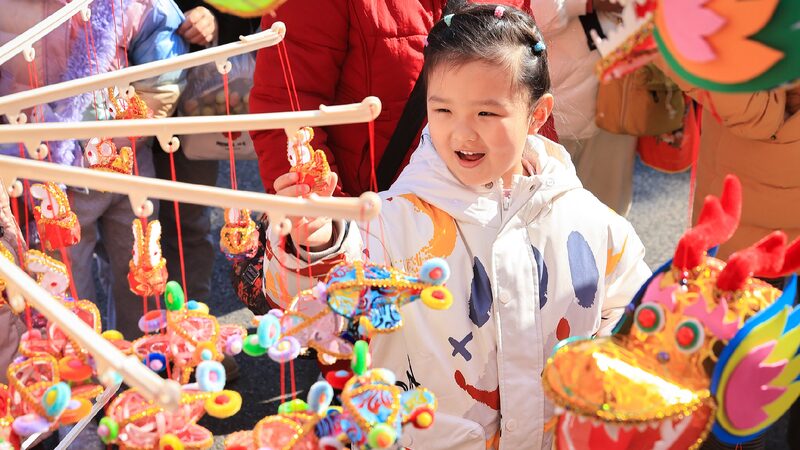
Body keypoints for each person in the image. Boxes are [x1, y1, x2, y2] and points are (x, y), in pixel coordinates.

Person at [264, 4, 651, 448]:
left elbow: (630, 309)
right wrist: (317, 241)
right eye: (442, 110)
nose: (462, 134)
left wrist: (599, 381)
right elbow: (316, 300)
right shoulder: (396, 220)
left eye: (487, 114)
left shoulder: (584, 217)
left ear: (538, 115)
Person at [0, 0, 187, 340]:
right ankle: (83, 375)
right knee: (66, 288)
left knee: (141, 268)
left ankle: (145, 359)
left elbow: (165, 67)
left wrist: (128, 133)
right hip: (46, 174)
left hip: (125, 161)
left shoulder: (126, 4)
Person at [248, 0, 554, 197]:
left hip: (484, 219)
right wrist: (337, 230)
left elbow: (526, 87)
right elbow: (287, 108)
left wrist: (536, 191)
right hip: (376, 226)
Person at [153, 1, 259, 304]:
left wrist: (216, 18)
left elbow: (251, 9)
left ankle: (194, 335)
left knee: (185, 223)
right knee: (121, 235)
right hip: (109, 92)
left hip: (193, 93)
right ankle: (131, 339)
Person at [531, 0, 638, 215]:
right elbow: (528, 13)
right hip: (557, 106)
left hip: (620, 95)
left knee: (608, 215)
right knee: (546, 214)